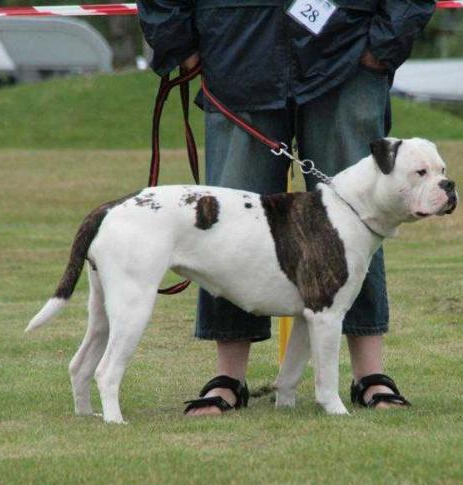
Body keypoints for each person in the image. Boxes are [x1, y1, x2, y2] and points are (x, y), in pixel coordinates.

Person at [138, 0, 436, 415]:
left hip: (348, 53)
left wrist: (381, 47)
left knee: (360, 219)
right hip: (236, 53)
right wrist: (182, 45)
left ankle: (370, 374)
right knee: (228, 227)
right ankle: (228, 379)